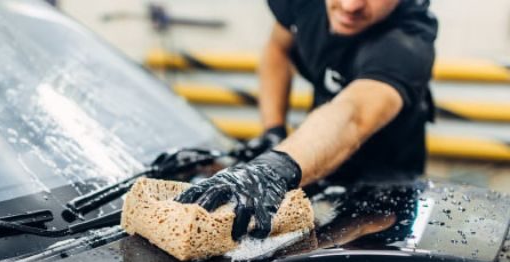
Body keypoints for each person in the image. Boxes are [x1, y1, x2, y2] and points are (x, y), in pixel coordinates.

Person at [177, 0, 438, 240]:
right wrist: (273, 130)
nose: (350, 5)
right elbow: (278, 48)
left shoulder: (408, 44)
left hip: (383, 190)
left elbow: (354, 116)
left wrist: (273, 169)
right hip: (313, 153)